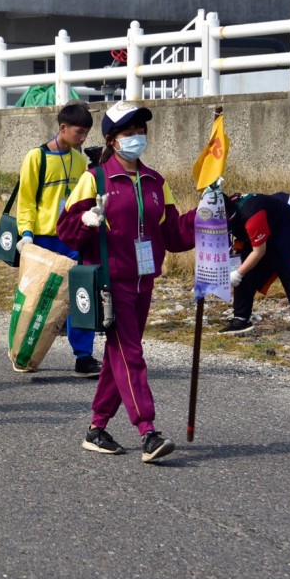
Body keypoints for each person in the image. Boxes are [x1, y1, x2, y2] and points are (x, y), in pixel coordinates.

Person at [58, 102, 196, 463]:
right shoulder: (95, 179)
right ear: (112, 140)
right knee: (131, 354)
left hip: (144, 281)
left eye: (140, 131)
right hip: (110, 281)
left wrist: (205, 215)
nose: (137, 137)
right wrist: (87, 220)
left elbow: (175, 235)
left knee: (117, 357)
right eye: (128, 132)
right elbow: (66, 231)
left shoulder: (155, 182)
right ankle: (148, 431)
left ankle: (96, 428)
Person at [15, 103, 101, 377]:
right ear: (62, 128)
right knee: (37, 299)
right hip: (42, 239)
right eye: (79, 132)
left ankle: (84, 357)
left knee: (80, 296)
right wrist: (26, 233)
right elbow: (26, 199)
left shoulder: (79, 161)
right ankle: (24, 352)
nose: (83, 138)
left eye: (86, 133)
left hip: (73, 239)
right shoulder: (35, 157)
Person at [219, 192, 290, 334]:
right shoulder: (217, 213)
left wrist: (237, 274)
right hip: (254, 228)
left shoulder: (251, 215)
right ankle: (240, 319)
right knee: (243, 266)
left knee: (289, 267)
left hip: (282, 227)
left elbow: (259, 252)